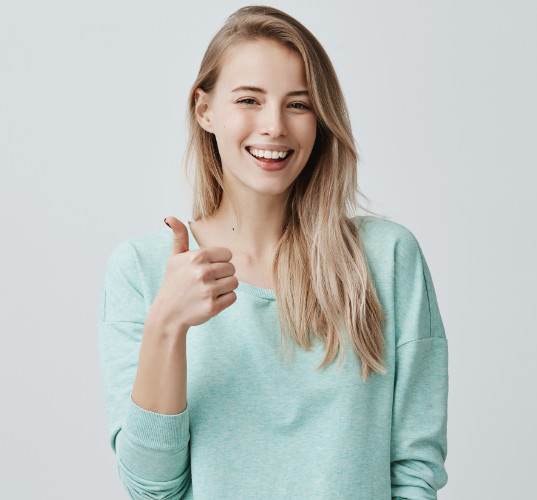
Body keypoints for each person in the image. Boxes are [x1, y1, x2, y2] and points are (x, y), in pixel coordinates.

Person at [97, 6, 448, 499]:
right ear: (205, 110)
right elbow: (152, 490)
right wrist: (166, 326)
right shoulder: (141, 269)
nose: (274, 126)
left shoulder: (387, 259)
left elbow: (414, 471)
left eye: (298, 104)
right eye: (249, 100)